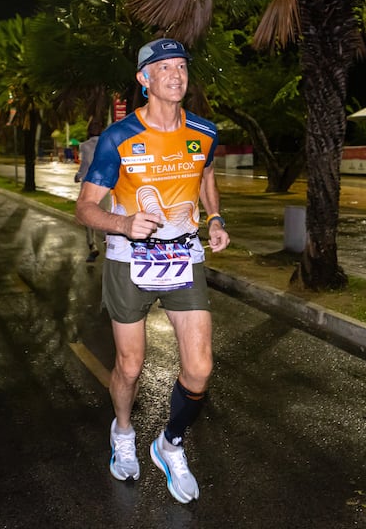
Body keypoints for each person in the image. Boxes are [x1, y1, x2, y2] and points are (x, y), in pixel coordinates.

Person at [75, 38, 230, 504]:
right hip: (129, 259)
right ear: (145, 80)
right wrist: (123, 222)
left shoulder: (204, 131)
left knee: (200, 369)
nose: (176, 75)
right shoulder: (118, 138)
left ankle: (170, 443)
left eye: (181, 66)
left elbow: (204, 175)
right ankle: (123, 431)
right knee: (130, 364)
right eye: (164, 68)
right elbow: (84, 208)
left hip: (184, 256)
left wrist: (216, 217)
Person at [74, 125, 105, 262]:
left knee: (88, 216)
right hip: (105, 185)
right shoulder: (107, 143)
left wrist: (78, 175)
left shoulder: (84, 146)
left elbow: (85, 165)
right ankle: (108, 242)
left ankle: (92, 245)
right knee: (106, 215)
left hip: (89, 185)